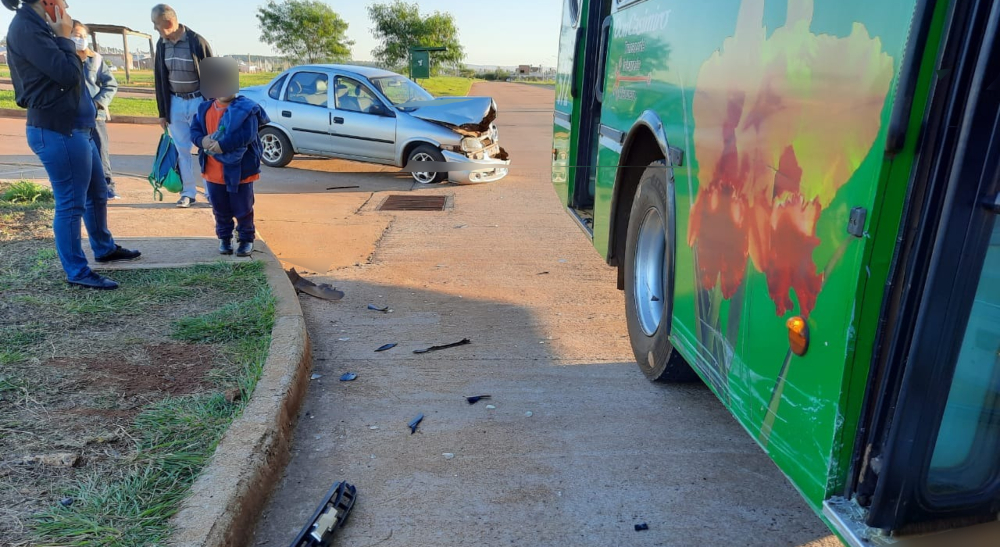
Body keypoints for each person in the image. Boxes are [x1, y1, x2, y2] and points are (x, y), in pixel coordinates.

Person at [4, 0, 141, 290]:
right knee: (71, 203)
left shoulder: (39, 27)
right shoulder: (27, 28)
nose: (66, 7)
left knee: (97, 192)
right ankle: (77, 270)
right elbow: (66, 74)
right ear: (48, 2)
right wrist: (65, 38)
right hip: (59, 130)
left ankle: (103, 248)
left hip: (78, 129)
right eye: (63, 2)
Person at [190, 57, 270, 257]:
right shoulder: (204, 109)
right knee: (220, 209)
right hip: (213, 171)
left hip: (240, 170)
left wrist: (222, 146)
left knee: (243, 208)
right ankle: (224, 238)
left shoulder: (246, 109)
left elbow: (247, 135)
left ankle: (246, 239)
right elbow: (195, 130)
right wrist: (202, 141)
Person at [151, 3, 213, 208]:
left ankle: (211, 193)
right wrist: (163, 112)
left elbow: (213, 75)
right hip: (175, 103)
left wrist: (214, 109)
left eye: (156, 24)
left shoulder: (197, 42)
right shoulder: (162, 45)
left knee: (206, 148)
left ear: (168, 22)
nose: (155, 28)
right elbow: (159, 78)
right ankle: (188, 192)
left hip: (199, 102)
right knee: (182, 150)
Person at [70, 20, 120, 200]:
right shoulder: (61, 57)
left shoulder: (96, 59)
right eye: (77, 35)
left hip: (94, 115)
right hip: (70, 115)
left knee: (100, 151)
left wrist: (98, 103)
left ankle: (107, 186)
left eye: (84, 36)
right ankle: (78, 188)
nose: (81, 39)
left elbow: (111, 84)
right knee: (74, 152)